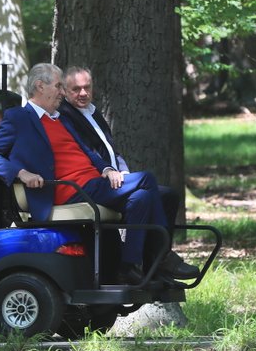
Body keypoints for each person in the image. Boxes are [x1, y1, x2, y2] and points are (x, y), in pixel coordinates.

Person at [0, 63, 186, 285]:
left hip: (94, 184)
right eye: (58, 86)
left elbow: (88, 152)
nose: (61, 92)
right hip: (67, 188)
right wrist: (21, 173)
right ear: (40, 86)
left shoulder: (61, 117)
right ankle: (162, 257)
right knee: (146, 179)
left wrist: (106, 169)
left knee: (141, 197)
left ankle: (129, 267)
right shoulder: (19, 118)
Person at [57, 66, 197, 279]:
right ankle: (162, 257)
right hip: (96, 182)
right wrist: (107, 169)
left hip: (115, 178)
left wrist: (123, 170)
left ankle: (140, 267)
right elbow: (86, 152)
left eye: (87, 87)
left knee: (164, 196)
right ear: (65, 92)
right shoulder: (65, 117)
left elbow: (112, 150)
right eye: (76, 89)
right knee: (146, 182)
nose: (83, 93)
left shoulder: (93, 112)